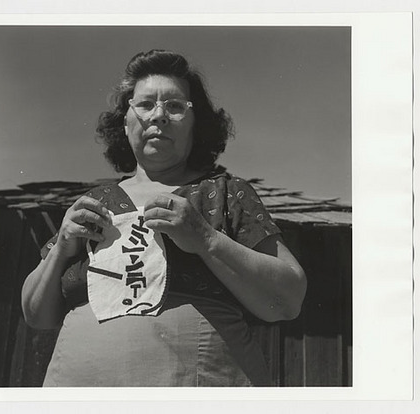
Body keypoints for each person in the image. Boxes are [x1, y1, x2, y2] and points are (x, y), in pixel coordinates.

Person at [21, 49, 306, 387]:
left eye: (174, 105)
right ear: (125, 122)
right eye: (145, 105)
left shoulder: (226, 193)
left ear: (195, 123)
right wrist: (62, 248)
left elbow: (287, 301)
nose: (158, 116)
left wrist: (206, 239)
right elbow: (36, 315)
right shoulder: (93, 203)